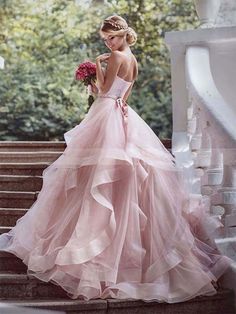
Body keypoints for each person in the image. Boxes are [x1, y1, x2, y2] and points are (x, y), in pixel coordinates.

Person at [0, 15, 232, 303]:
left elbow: (106, 92)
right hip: (124, 116)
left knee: (98, 176)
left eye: (110, 37)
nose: (108, 43)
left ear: (120, 34)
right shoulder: (133, 60)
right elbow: (125, 96)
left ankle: (92, 254)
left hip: (108, 113)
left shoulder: (114, 56)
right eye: (105, 39)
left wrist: (95, 70)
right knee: (118, 179)